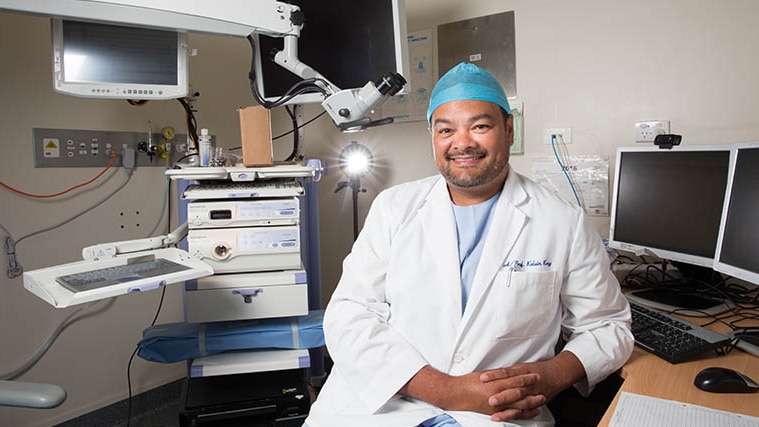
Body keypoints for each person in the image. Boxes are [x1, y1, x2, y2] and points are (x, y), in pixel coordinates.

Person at [304, 62, 634, 427]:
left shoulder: (562, 221)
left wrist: (553, 375)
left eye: (480, 126)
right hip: (382, 406)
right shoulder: (394, 208)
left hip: (497, 414)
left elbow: (608, 326)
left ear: (509, 129)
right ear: (433, 137)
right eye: (446, 129)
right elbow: (349, 315)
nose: (462, 143)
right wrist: (446, 390)